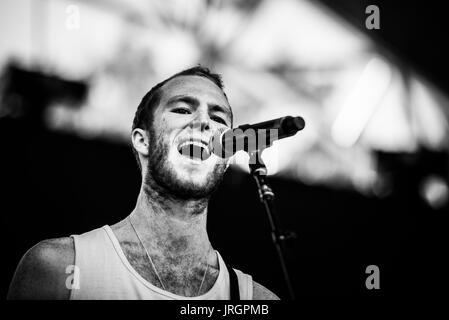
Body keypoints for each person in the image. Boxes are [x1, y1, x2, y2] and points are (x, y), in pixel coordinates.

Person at [7, 66, 280, 300]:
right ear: (142, 140)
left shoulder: (254, 299)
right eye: (184, 109)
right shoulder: (58, 267)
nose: (204, 122)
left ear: (227, 156)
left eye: (218, 118)